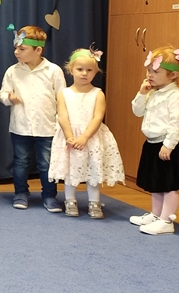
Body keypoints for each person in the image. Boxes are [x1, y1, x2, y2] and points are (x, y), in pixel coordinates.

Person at [48, 47, 125, 218]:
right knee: (70, 170)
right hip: (70, 136)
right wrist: (69, 136)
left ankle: (94, 202)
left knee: (93, 169)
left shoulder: (98, 94)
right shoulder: (64, 93)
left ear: (95, 72)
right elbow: (62, 116)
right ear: (71, 70)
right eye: (80, 69)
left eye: (89, 70)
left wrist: (84, 137)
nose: (84, 73)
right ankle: (70, 200)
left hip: (91, 137)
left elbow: (98, 117)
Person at [0, 26, 66, 211]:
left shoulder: (53, 71)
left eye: (22, 48)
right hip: (20, 126)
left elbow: (62, 97)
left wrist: (61, 122)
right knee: (21, 162)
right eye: (15, 48)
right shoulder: (12, 71)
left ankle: (49, 196)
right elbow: (3, 93)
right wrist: (9, 98)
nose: (16, 52)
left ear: (38, 50)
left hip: (47, 127)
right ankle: (21, 193)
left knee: (47, 164)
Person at [129, 45, 179, 235]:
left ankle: (166, 221)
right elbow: (137, 111)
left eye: (155, 72)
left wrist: (169, 145)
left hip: (168, 146)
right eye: (149, 70)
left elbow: (177, 123)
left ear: (172, 75)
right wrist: (141, 93)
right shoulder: (152, 92)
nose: (150, 75)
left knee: (169, 185)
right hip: (152, 143)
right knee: (155, 183)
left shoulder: (178, 97)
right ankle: (156, 215)